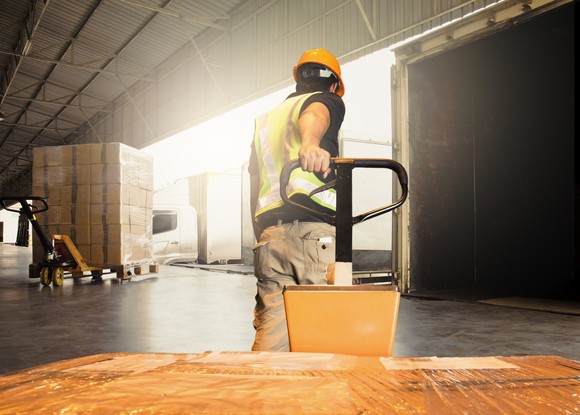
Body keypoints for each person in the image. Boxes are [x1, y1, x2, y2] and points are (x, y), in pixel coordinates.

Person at [248, 48, 346, 351]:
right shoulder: (328, 101)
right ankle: (321, 398)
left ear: (298, 79)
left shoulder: (267, 119)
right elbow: (316, 114)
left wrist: (261, 233)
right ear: (333, 85)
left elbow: (253, 179)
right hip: (314, 234)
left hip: (270, 237)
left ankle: (265, 393)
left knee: (272, 334)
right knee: (323, 334)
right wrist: (310, 143)